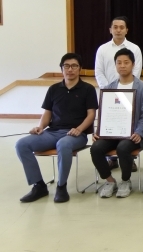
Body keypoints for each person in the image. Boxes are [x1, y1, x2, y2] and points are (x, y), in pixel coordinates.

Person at [16, 53, 98, 203]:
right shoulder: (54, 89)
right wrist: (40, 127)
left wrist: (79, 129)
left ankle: (61, 186)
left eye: (74, 66)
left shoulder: (88, 89)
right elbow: (47, 112)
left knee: (63, 144)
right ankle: (39, 186)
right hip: (52, 132)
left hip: (76, 135)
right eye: (66, 66)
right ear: (61, 68)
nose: (70, 69)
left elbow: (91, 114)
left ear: (80, 69)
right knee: (21, 144)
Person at [90, 48, 143, 198]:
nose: (122, 66)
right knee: (96, 148)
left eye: (126, 62)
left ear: (133, 64)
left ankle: (125, 181)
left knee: (123, 147)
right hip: (112, 132)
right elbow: (105, 113)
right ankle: (110, 181)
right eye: (119, 63)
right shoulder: (109, 88)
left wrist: (139, 132)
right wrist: (98, 131)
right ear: (115, 65)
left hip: (133, 134)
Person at [95, 15, 143, 171]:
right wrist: (109, 91)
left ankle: (129, 159)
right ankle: (111, 159)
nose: (118, 30)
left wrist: (126, 89)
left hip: (130, 94)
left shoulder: (134, 49)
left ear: (126, 30)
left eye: (122, 27)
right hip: (109, 95)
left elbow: (136, 71)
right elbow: (99, 72)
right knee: (112, 123)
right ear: (110, 29)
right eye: (115, 27)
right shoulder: (102, 49)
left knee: (129, 125)